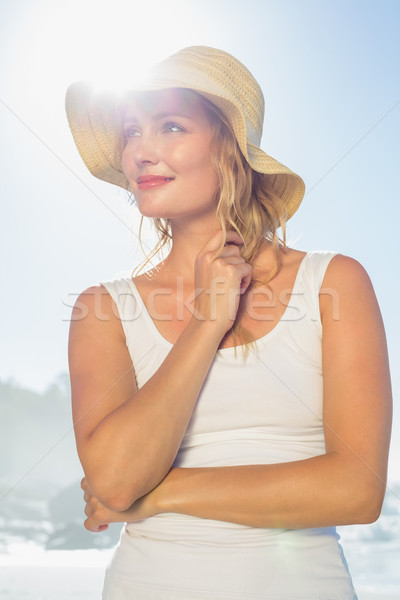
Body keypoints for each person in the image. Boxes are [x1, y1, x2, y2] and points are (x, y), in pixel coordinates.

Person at [66, 46, 392, 599]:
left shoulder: (334, 283)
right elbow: (116, 480)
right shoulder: (103, 309)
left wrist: (160, 495)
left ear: (231, 150)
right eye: (130, 132)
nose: (141, 150)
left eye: (170, 126)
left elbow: (356, 490)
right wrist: (206, 322)